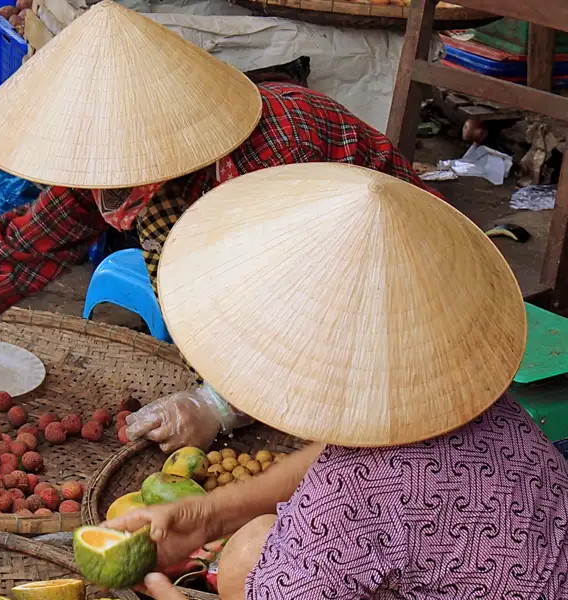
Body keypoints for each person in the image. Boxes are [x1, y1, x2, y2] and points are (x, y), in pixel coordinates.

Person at [0, 0, 438, 454]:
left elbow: (298, 308)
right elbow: (24, 246)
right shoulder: (115, 165)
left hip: (383, 279)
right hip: (288, 282)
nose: (103, 194)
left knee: (344, 439)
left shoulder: (267, 159)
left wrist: (221, 406)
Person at [106, 163, 568, 600]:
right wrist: (209, 515)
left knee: (251, 556)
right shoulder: (464, 400)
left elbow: (360, 488)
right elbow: (354, 462)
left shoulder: (344, 503)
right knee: (249, 550)